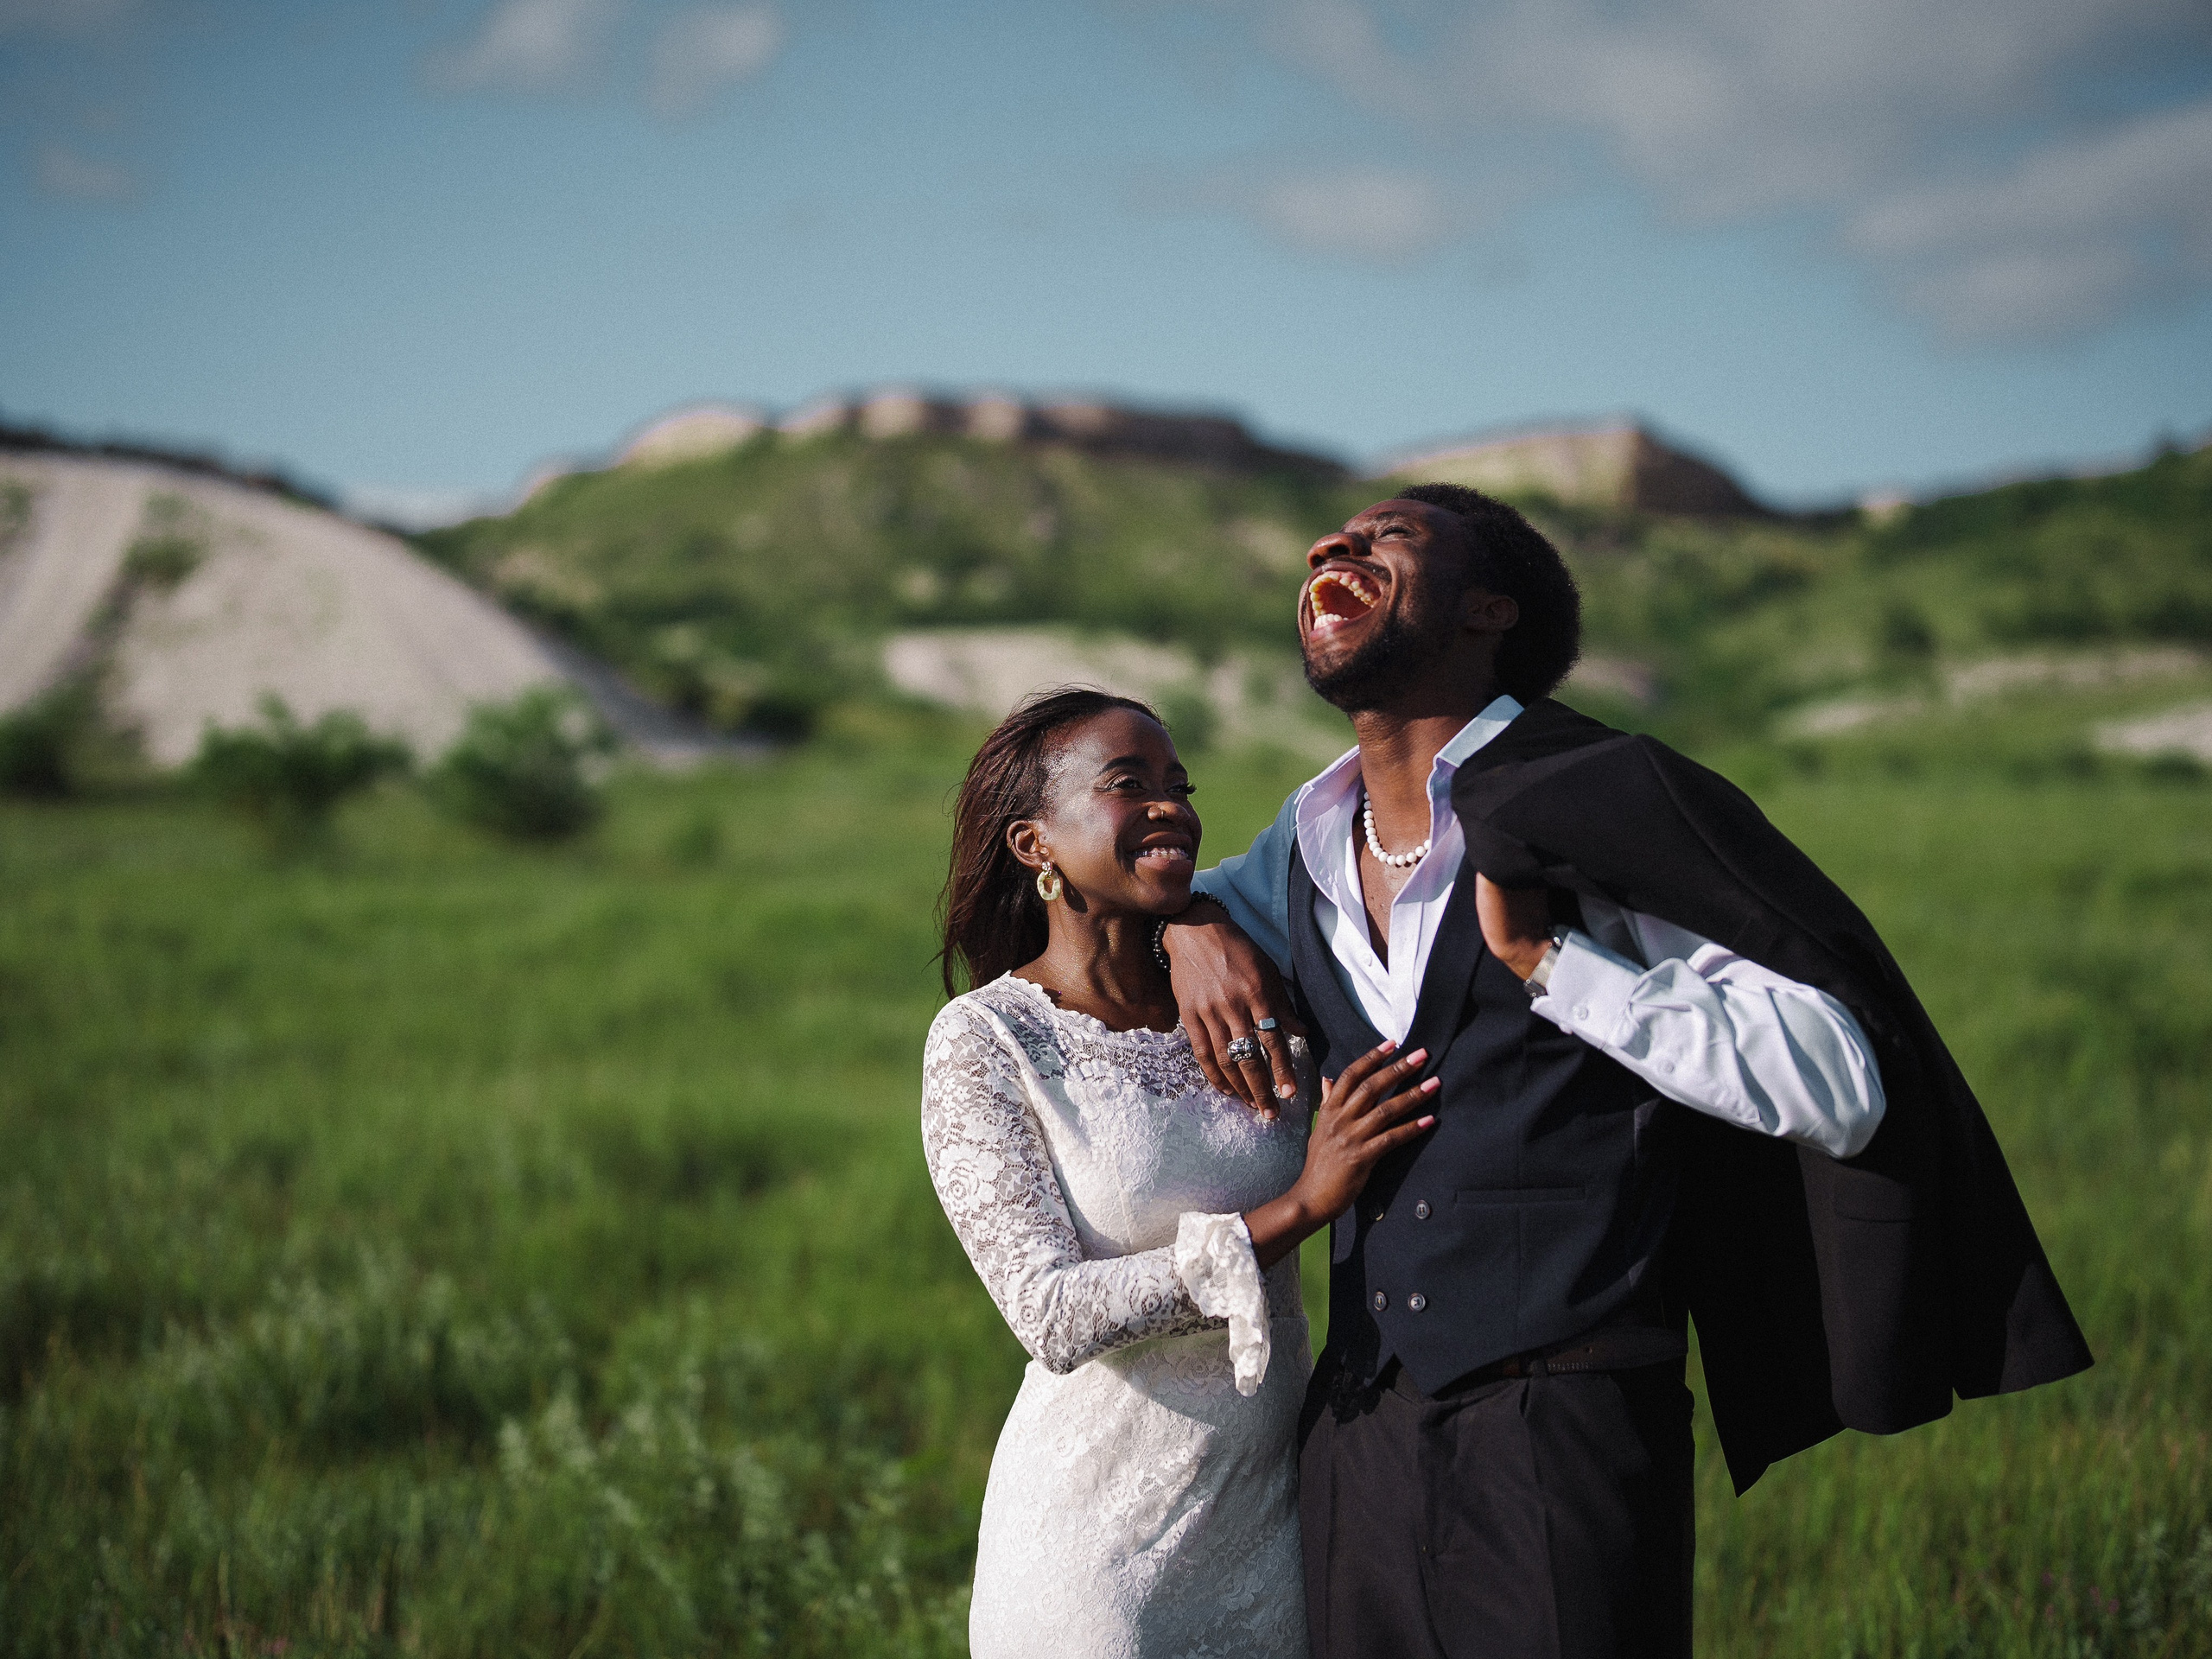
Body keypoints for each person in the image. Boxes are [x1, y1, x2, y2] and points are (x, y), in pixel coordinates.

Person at [1156, 484, 2093, 1659]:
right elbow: (1134, 912)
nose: (1334, 543)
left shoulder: (1601, 794)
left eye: (1394, 535)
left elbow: (1842, 1082)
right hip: (1359, 1439)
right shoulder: (1299, 840)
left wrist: (1552, 964)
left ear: (1489, 609)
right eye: (1339, 536)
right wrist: (1187, 927)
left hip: (1563, 1436)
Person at [921, 686, 1446, 1658]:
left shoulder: (1250, 994)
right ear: (1034, 844)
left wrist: (1197, 919)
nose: (1170, 806)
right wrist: (1302, 1206)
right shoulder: (987, 1040)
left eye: (1179, 784)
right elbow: (1051, 1314)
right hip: (1097, 1555)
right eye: (1128, 785)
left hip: (1274, 1526)